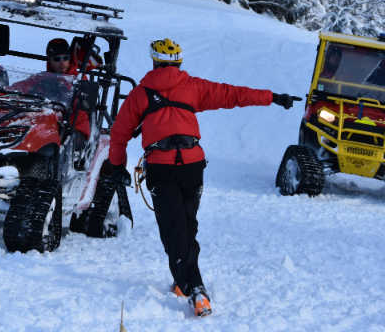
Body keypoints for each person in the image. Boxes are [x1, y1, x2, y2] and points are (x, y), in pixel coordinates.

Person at [101, 38, 300, 317]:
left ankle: (195, 288)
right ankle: (184, 282)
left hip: (161, 167)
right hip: (193, 165)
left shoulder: (141, 94)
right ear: (179, 62)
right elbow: (233, 94)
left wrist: (117, 165)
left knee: (173, 229)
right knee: (187, 225)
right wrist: (273, 97)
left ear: (154, 62)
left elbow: (120, 133)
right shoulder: (193, 87)